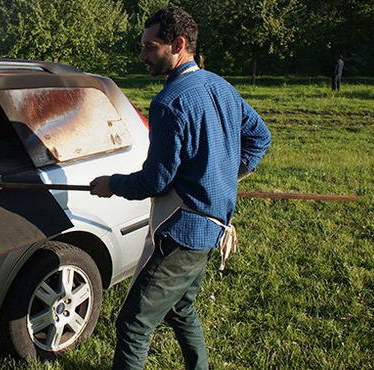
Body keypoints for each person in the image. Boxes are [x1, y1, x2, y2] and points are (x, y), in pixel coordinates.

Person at [89, 7, 272, 370]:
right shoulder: (221, 85)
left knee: (134, 324)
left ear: (178, 44)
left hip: (184, 233)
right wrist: (224, 178)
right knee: (180, 307)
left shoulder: (170, 103)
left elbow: (155, 180)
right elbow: (259, 138)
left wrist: (112, 185)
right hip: (211, 227)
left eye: (149, 47)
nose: (141, 55)